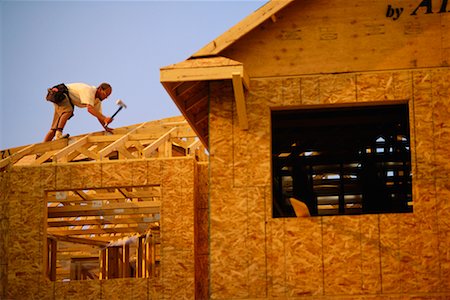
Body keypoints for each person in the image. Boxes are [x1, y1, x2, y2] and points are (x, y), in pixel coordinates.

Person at [44, 82, 114, 142]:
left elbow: (99, 116)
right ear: (100, 89)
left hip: (64, 98)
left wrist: (106, 127)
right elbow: (90, 109)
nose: (106, 97)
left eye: (108, 96)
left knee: (54, 128)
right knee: (68, 111)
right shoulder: (89, 91)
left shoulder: (97, 101)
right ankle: (58, 135)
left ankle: (39, 152)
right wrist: (105, 118)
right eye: (105, 94)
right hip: (61, 93)